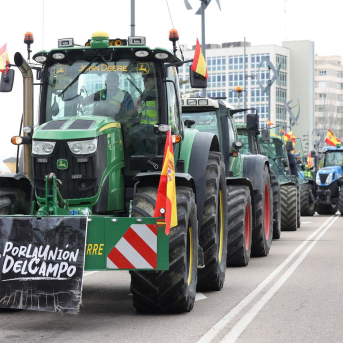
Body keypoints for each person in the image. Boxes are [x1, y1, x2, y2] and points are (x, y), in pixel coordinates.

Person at [131, 73, 158, 155]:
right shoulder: (146, 92)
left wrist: (139, 98)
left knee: (133, 134)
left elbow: (148, 96)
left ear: (154, 81)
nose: (145, 83)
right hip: (146, 124)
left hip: (156, 125)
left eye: (147, 81)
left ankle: (143, 156)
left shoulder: (157, 91)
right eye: (144, 81)